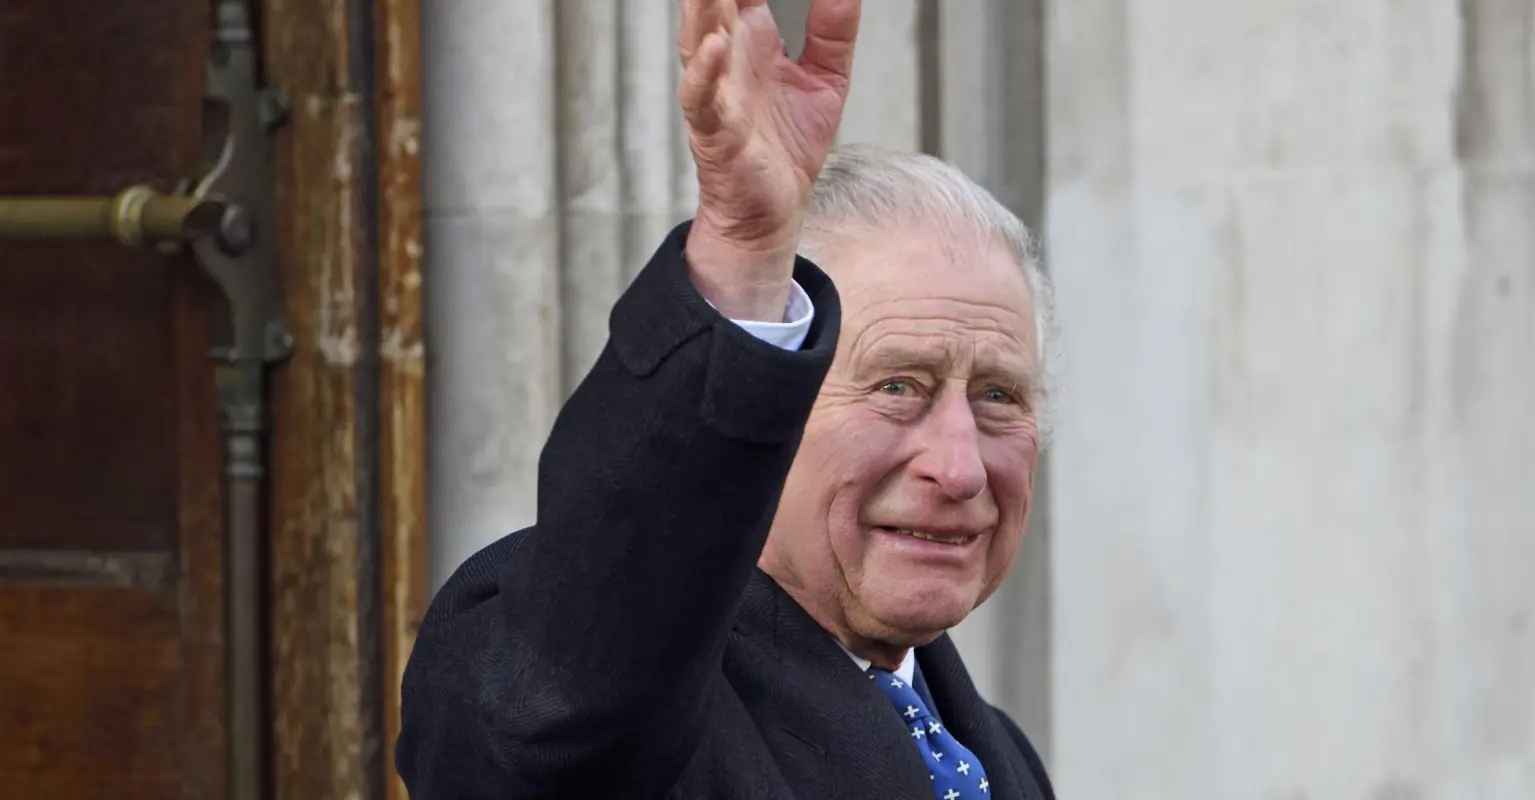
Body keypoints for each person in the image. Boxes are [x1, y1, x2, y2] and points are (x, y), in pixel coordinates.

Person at [396, 0, 1055, 797]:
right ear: (767, 411)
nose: (958, 470)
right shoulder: (612, 701)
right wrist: (744, 257)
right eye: (896, 387)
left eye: (996, 396)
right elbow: (565, 696)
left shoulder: (993, 751)